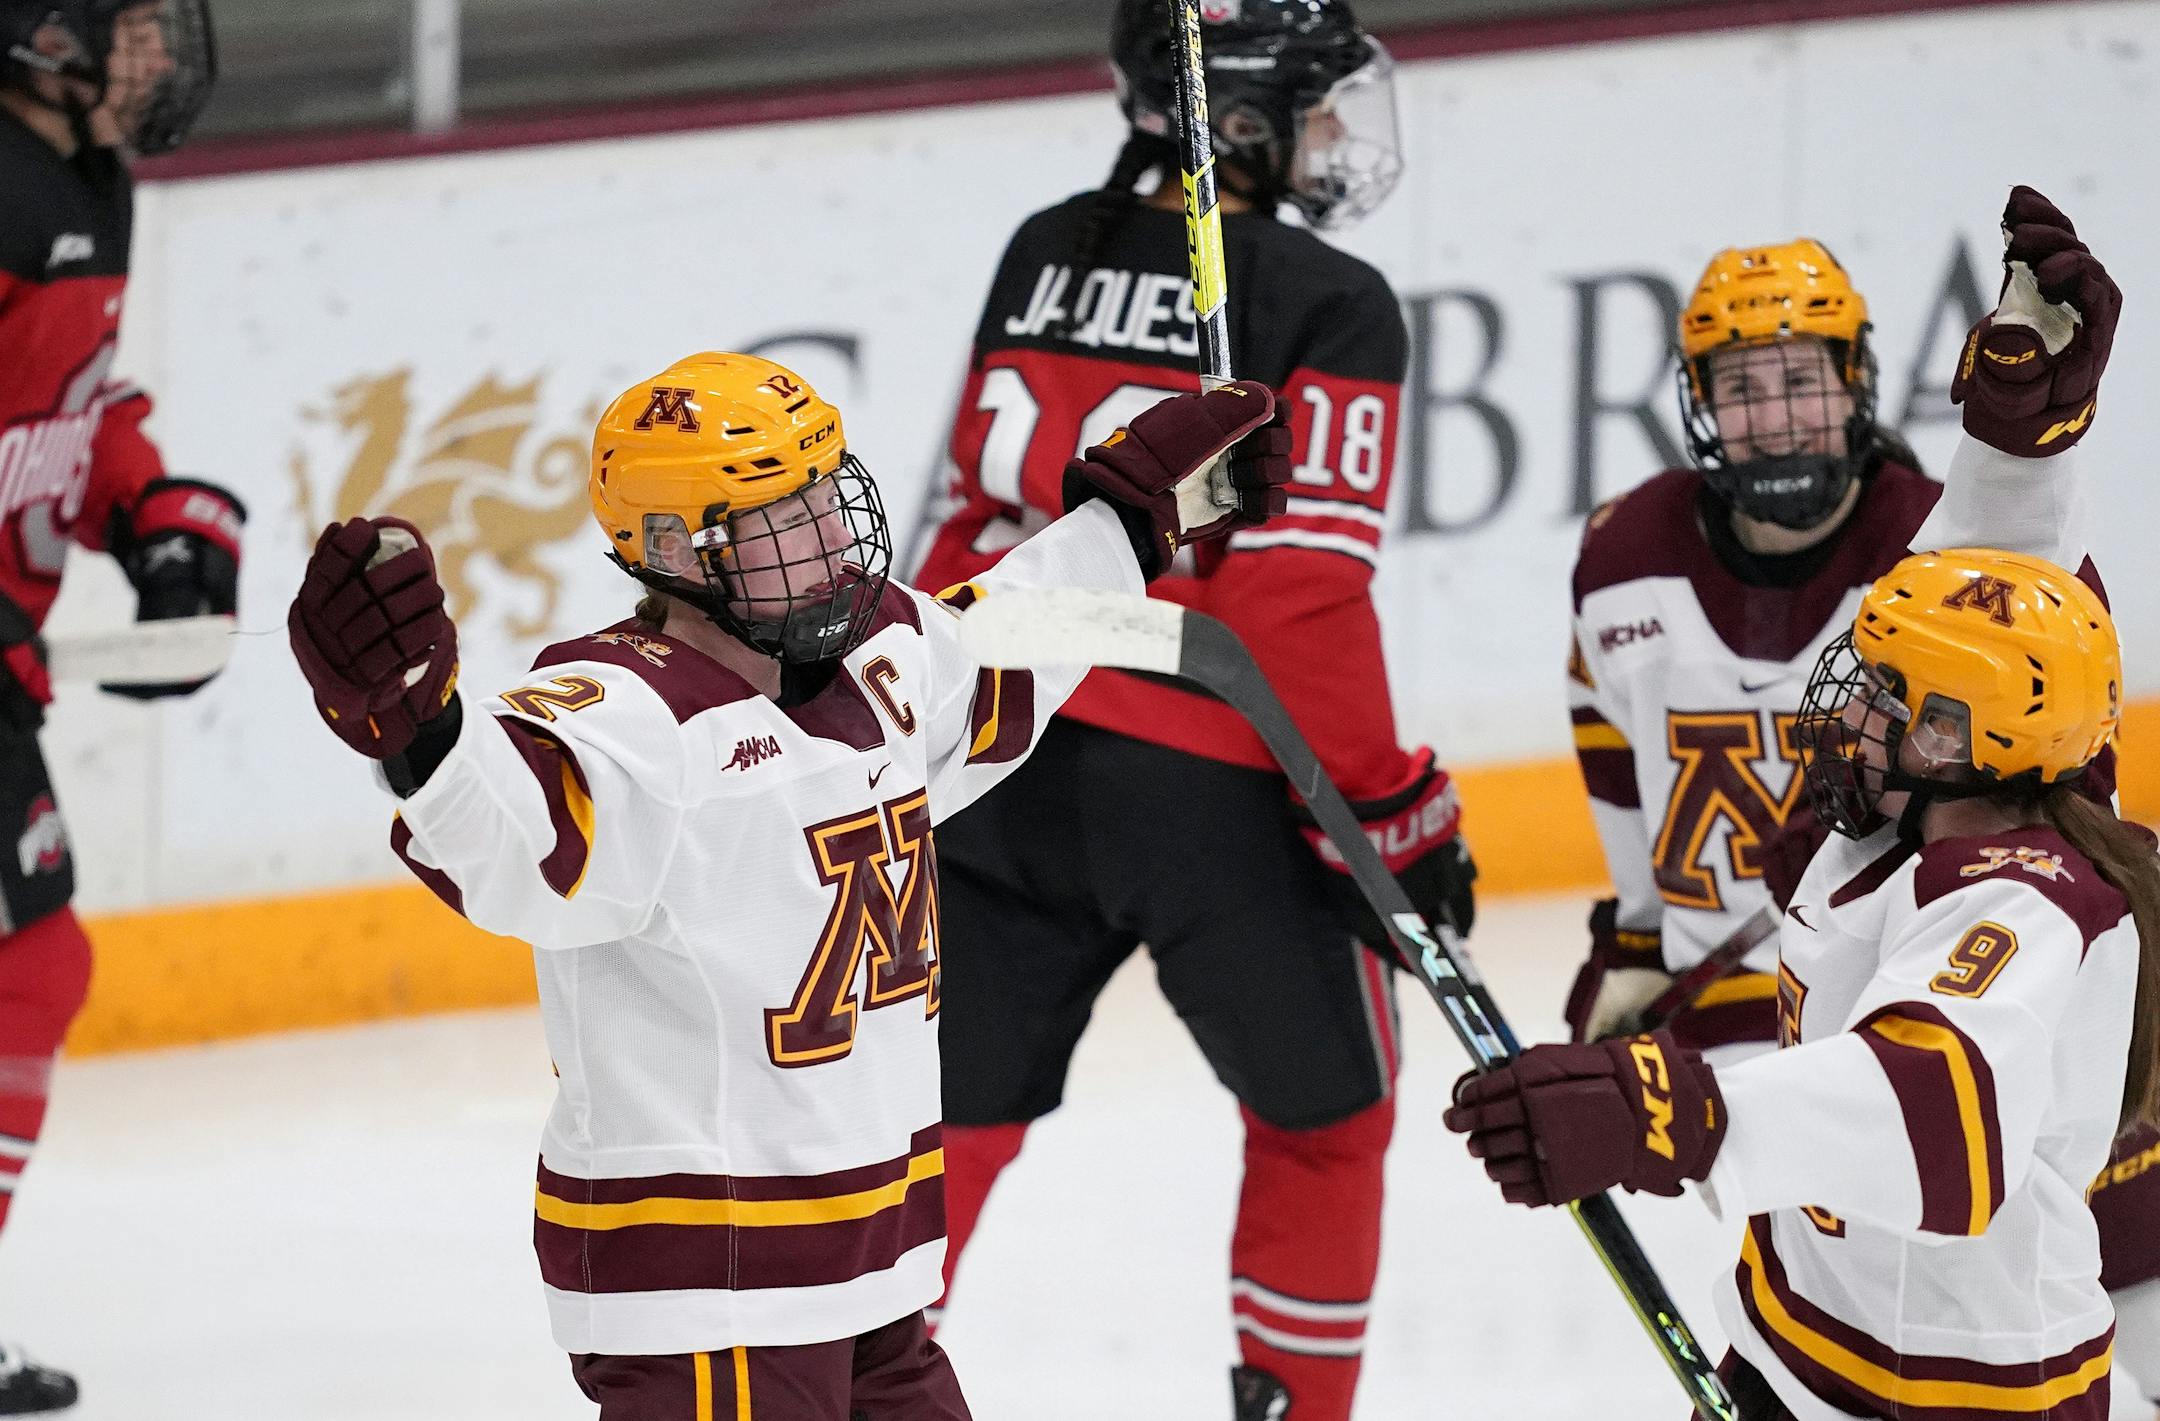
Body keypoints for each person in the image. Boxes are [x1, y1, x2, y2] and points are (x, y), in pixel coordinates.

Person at [286, 352, 1290, 1420]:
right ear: (675, 550)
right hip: (713, 1297)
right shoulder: (626, 716)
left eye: (826, 495)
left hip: (873, 1275)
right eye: (780, 516)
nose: (827, 538)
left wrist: (1141, 519)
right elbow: (513, 838)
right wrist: (422, 735)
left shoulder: (880, 654)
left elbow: (1008, 637)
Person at [1449, 193, 2160, 1421]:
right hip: (1798, 1348)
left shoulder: (2022, 900)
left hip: (1964, 1395)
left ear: (1953, 745)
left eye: (1877, 695)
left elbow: (1937, 1116)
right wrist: (2017, 444)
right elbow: (1986, 600)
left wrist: (1678, 1113)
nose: (1841, 712)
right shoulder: (1892, 828)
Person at [908, 3, 1471, 1416]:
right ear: (1239, 115)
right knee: (1328, 1127)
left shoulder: (1048, 244)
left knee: (931, 1134)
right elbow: (1295, 602)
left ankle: (847, 1386)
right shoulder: (1329, 298)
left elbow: (957, 525)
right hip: (1204, 783)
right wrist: (1391, 812)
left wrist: (901, 733)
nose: (1342, 135)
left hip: (994, 756)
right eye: (1319, 103)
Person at [0, 2, 224, 1411]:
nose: (159, 58)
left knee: (34, 970)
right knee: (34, 968)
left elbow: (67, 404)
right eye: (131, 27)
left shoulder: (86, 185)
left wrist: (155, 515)